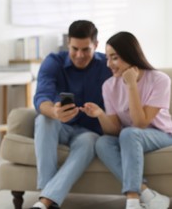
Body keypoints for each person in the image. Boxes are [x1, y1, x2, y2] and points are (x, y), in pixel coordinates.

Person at [80, 31, 172, 209]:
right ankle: (148, 195)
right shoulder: (109, 86)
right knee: (102, 142)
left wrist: (131, 85)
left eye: (115, 58)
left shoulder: (160, 80)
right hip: (130, 136)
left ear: (129, 55)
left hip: (163, 135)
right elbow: (114, 130)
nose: (109, 64)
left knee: (130, 133)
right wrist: (100, 115)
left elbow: (140, 123)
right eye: (108, 58)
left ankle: (132, 200)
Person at [31, 20, 113, 209]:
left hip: (88, 132)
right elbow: (41, 97)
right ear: (68, 44)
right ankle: (47, 193)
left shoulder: (107, 66)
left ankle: (44, 203)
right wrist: (54, 111)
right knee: (44, 119)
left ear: (96, 45)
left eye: (86, 50)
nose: (79, 55)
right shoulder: (54, 61)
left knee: (90, 141)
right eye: (74, 48)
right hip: (60, 127)